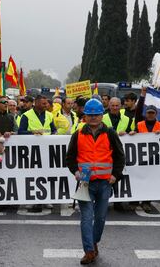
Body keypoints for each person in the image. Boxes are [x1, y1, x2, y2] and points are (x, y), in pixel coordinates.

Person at [66, 98, 125, 265]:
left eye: (96, 115)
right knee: (86, 217)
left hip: (105, 182)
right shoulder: (78, 134)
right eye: (90, 115)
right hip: (85, 182)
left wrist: (116, 175)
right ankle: (89, 250)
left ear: (101, 115)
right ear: (85, 116)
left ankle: (94, 241)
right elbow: (70, 157)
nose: (93, 118)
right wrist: (76, 172)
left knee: (100, 218)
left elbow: (120, 156)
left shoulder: (110, 133)